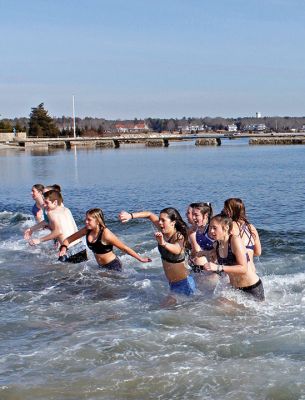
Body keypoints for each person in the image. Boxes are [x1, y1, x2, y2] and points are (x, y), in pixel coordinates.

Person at [119, 208, 195, 297]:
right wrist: (130, 216)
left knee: (162, 309)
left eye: (163, 220)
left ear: (173, 223)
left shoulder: (178, 236)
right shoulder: (163, 229)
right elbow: (149, 214)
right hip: (172, 284)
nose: (160, 222)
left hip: (184, 284)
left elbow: (177, 249)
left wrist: (163, 243)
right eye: (159, 219)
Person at [59, 208, 151, 270]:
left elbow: (124, 248)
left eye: (89, 220)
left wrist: (141, 259)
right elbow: (68, 240)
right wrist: (63, 248)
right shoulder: (87, 230)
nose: (86, 222)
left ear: (98, 221)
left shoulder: (106, 234)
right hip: (100, 267)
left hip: (113, 266)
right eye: (86, 219)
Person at [204, 214, 265, 301]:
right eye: (210, 228)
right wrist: (203, 255)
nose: (211, 231)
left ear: (226, 228)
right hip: (235, 289)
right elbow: (214, 257)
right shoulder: (217, 244)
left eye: (214, 228)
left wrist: (218, 267)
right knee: (219, 307)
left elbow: (243, 268)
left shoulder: (235, 241)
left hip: (251, 288)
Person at [24, 190, 87, 263]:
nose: (44, 205)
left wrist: (39, 240)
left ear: (55, 202)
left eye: (47, 202)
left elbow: (58, 231)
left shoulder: (51, 213)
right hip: (80, 247)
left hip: (67, 249)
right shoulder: (66, 210)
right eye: (44, 202)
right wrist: (31, 229)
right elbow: (47, 222)